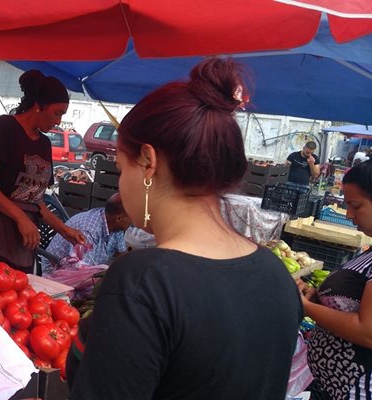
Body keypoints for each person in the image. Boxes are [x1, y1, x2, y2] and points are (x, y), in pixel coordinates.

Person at [68, 58, 302, 399]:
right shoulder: (275, 274)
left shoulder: (143, 282)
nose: (120, 183)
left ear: (148, 162)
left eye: (120, 167)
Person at [0, 70, 85, 273]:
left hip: (23, 239)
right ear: (38, 106)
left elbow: (36, 202)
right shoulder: (5, 127)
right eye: (57, 113)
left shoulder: (44, 144)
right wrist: (20, 217)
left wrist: (65, 231)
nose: (58, 121)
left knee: (17, 298)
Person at [298, 160, 372, 400]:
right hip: (334, 388)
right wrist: (317, 298)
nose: (349, 214)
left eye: (355, 205)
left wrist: (306, 307)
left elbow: (367, 331)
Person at [41, 193, 132, 277]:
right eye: (131, 218)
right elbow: (81, 271)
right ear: (119, 218)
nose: (132, 222)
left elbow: (121, 254)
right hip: (57, 270)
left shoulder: (117, 228)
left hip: (83, 269)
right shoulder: (90, 230)